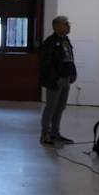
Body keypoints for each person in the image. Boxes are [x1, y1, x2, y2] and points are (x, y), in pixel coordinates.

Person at [38, 16, 77, 145]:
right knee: (51, 107)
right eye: (66, 24)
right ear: (57, 26)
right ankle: (45, 134)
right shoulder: (50, 42)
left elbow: (70, 58)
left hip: (66, 78)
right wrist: (55, 77)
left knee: (61, 107)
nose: (69, 25)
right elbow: (46, 62)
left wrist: (73, 73)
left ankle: (55, 133)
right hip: (55, 80)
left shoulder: (66, 40)